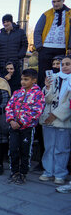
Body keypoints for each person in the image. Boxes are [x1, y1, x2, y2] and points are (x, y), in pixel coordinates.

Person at [5, 69, 45, 185]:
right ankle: (14, 172)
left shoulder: (38, 94)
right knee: (13, 150)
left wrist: (21, 123)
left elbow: (36, 111)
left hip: (27, 128)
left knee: (25, 151)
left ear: (34, 80)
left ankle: (23, 173)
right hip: (13, 127)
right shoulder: (17, 93)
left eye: (26, 79)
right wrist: (12, 121)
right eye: (22, 79)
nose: (23, 82)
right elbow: (9, 107)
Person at [39, 55, 71, 185]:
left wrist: (56, 115)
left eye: (67, 64)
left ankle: (60, 173)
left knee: (62, 148)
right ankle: (48, 171)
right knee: (49, 147)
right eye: (62, 64)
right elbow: (47, 99)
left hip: (63, 119)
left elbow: (69, 102)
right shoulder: (54, 78)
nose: (64, 66)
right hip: (48, 118)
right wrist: (47, 88)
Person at [34, 0, 70, 88]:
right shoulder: (46, 14)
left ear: (63, 0)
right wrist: (39, 47)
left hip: (62, 49)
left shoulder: (69, 13)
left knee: (61, 73)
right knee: (43, 74)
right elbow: (37, 30)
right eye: (53, 2)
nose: (56, 4)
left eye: (58, 1)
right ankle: (41, 95)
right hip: (45, 48)